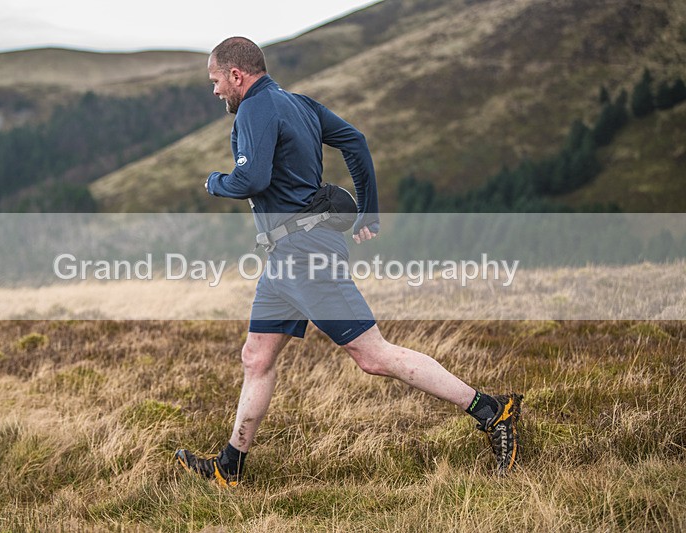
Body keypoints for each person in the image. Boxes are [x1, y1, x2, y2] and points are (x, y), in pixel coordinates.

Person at [175, 37, 521, 486]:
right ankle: (230, 466)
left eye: (216, 80)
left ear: (236, 75)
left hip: (305, 255)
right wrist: (368, 210)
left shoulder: (254, 109)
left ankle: (492, 411)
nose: (216, 90)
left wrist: (215, 182)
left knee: (373, 355)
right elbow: (354, 141)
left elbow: (251, 179)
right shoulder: (300, 104)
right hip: (284, 259)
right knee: (256, 357)